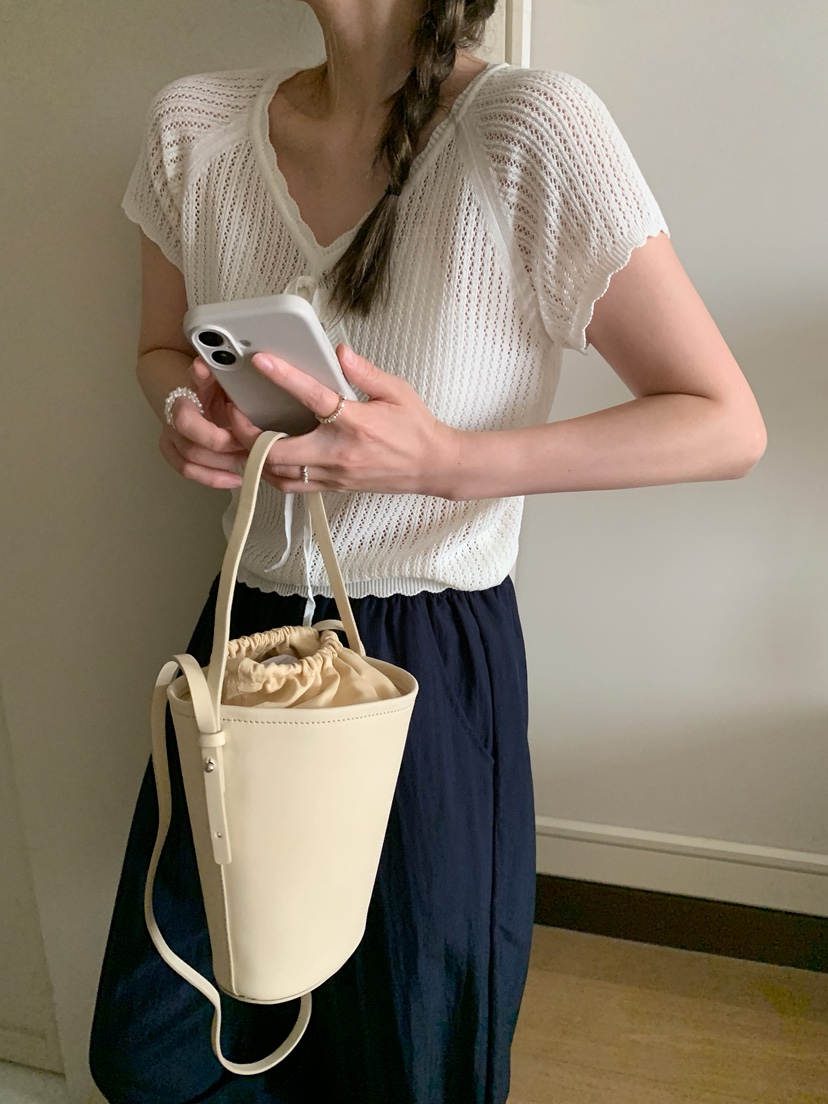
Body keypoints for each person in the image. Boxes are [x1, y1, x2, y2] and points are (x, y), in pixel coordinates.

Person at [88, 1, 767, 1102]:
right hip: (248, 636)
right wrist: (182, 408)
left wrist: (446, 460)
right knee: (161, 1044)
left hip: (431, 658)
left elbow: (725, 423)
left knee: (418, 1055)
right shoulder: (194, 128)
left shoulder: (531, 128)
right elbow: (160, 346)